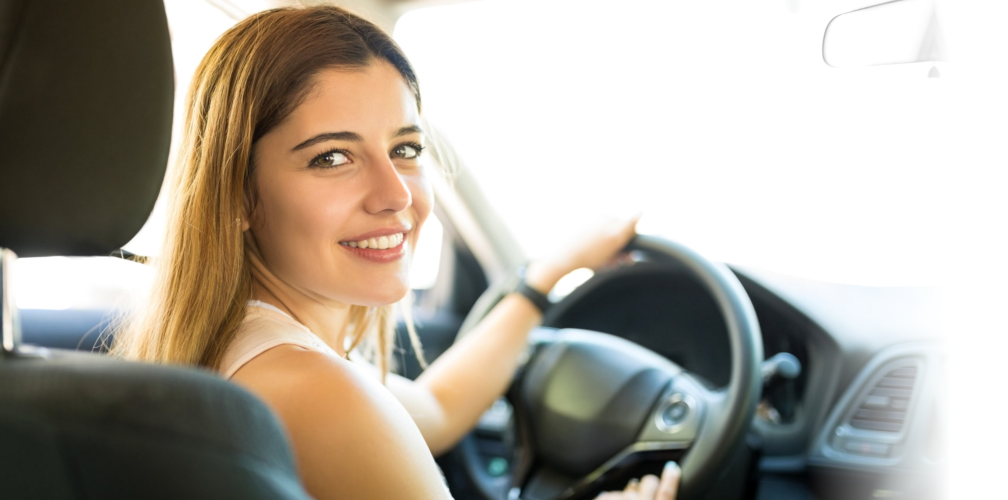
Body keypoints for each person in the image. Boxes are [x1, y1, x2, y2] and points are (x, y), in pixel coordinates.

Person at [112, 5, 674, 499]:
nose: (396, 194)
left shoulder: (248, 347)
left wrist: (545, 277)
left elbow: (437, 409)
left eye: (405, 148)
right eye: (332, 158)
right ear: (239, 196)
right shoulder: (316, 392)